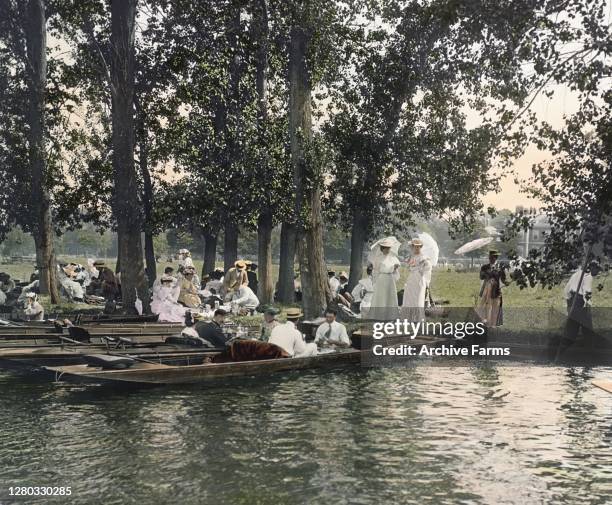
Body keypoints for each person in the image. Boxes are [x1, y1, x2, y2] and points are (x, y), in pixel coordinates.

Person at [369, 236, 401, 321]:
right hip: (382, 279)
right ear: (382, 248)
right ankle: (380, 316)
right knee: (381, 297)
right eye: (385, 248)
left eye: (389, 248)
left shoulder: (393, 258)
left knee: (390, 296)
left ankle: (390, 316)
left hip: (390, 279)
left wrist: (395, 268)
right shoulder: (378, 258)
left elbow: (395, 271)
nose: (387, 250)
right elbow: (376, 271)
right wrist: (374, 281)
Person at [401, 238, 432, 321]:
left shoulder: (424, 257)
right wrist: (409, 265)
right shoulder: (411, 257)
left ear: (421, 247)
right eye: (415, 246)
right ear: (413, 247)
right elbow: (408, 267)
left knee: (418, 297)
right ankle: (409, 317)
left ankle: (417, 317)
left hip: (419, 278)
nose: (416, 248)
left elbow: (428, 268)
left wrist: (422, 268)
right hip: (411, 278)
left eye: (418, 247)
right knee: (409, 297)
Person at [563, 263, 597, 341]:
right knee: (586, 324)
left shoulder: (576, 274)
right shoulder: (588, 276)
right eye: (596, 269)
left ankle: (569, 341)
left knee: (573, 322)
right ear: (591, 268)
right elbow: (587, 292)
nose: (597, 272)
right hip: (580, 300)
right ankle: (589, 343)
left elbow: (566, 290)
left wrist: (569, 302)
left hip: (572, 299)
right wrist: (587, 304)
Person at [476, 249, 508, 327]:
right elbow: (481, 277)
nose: (490, 259)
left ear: (495, 258)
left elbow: (503, 279)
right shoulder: (484, 267)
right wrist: (484, 273)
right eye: (489, 257)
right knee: (485, 308)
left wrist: (506, 282)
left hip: (496, 290)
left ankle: (493, 325)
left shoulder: (500, 267)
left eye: (492, 257)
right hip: (486, 291)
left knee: (495, 308)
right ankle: (485, 323)